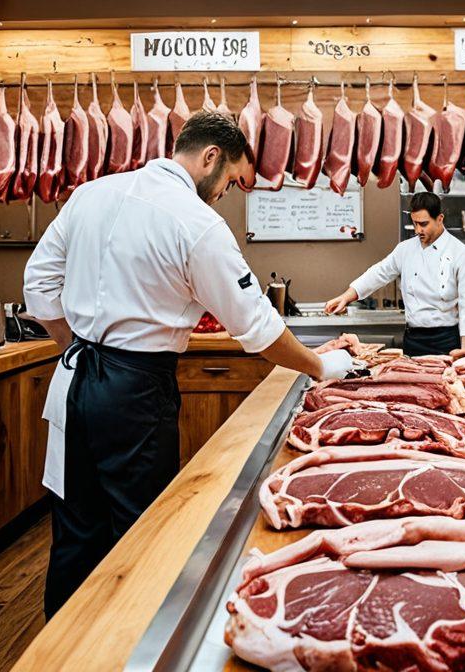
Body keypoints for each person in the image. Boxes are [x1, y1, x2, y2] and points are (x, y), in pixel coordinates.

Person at [23, 111, 352, 618]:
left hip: (73, 380)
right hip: (135, 390)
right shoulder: (196, 222)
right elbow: (257, 327)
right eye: (230, 181)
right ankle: (134, 641)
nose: (224, 194)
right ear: (210, 157)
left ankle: (62, 649)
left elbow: (38, 285)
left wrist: (80, 345)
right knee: (140, 529)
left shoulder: (91, 194)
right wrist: (320, 367)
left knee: (75, 530)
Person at [323, 192, 465, 356]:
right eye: (415, 223)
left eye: (424, 224)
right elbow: (378, 273)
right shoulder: (405, 249)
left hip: (446, 340)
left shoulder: (462, 255)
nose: (418, 230)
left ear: (440, 219)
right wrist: (346, 296)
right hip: (412, 339)